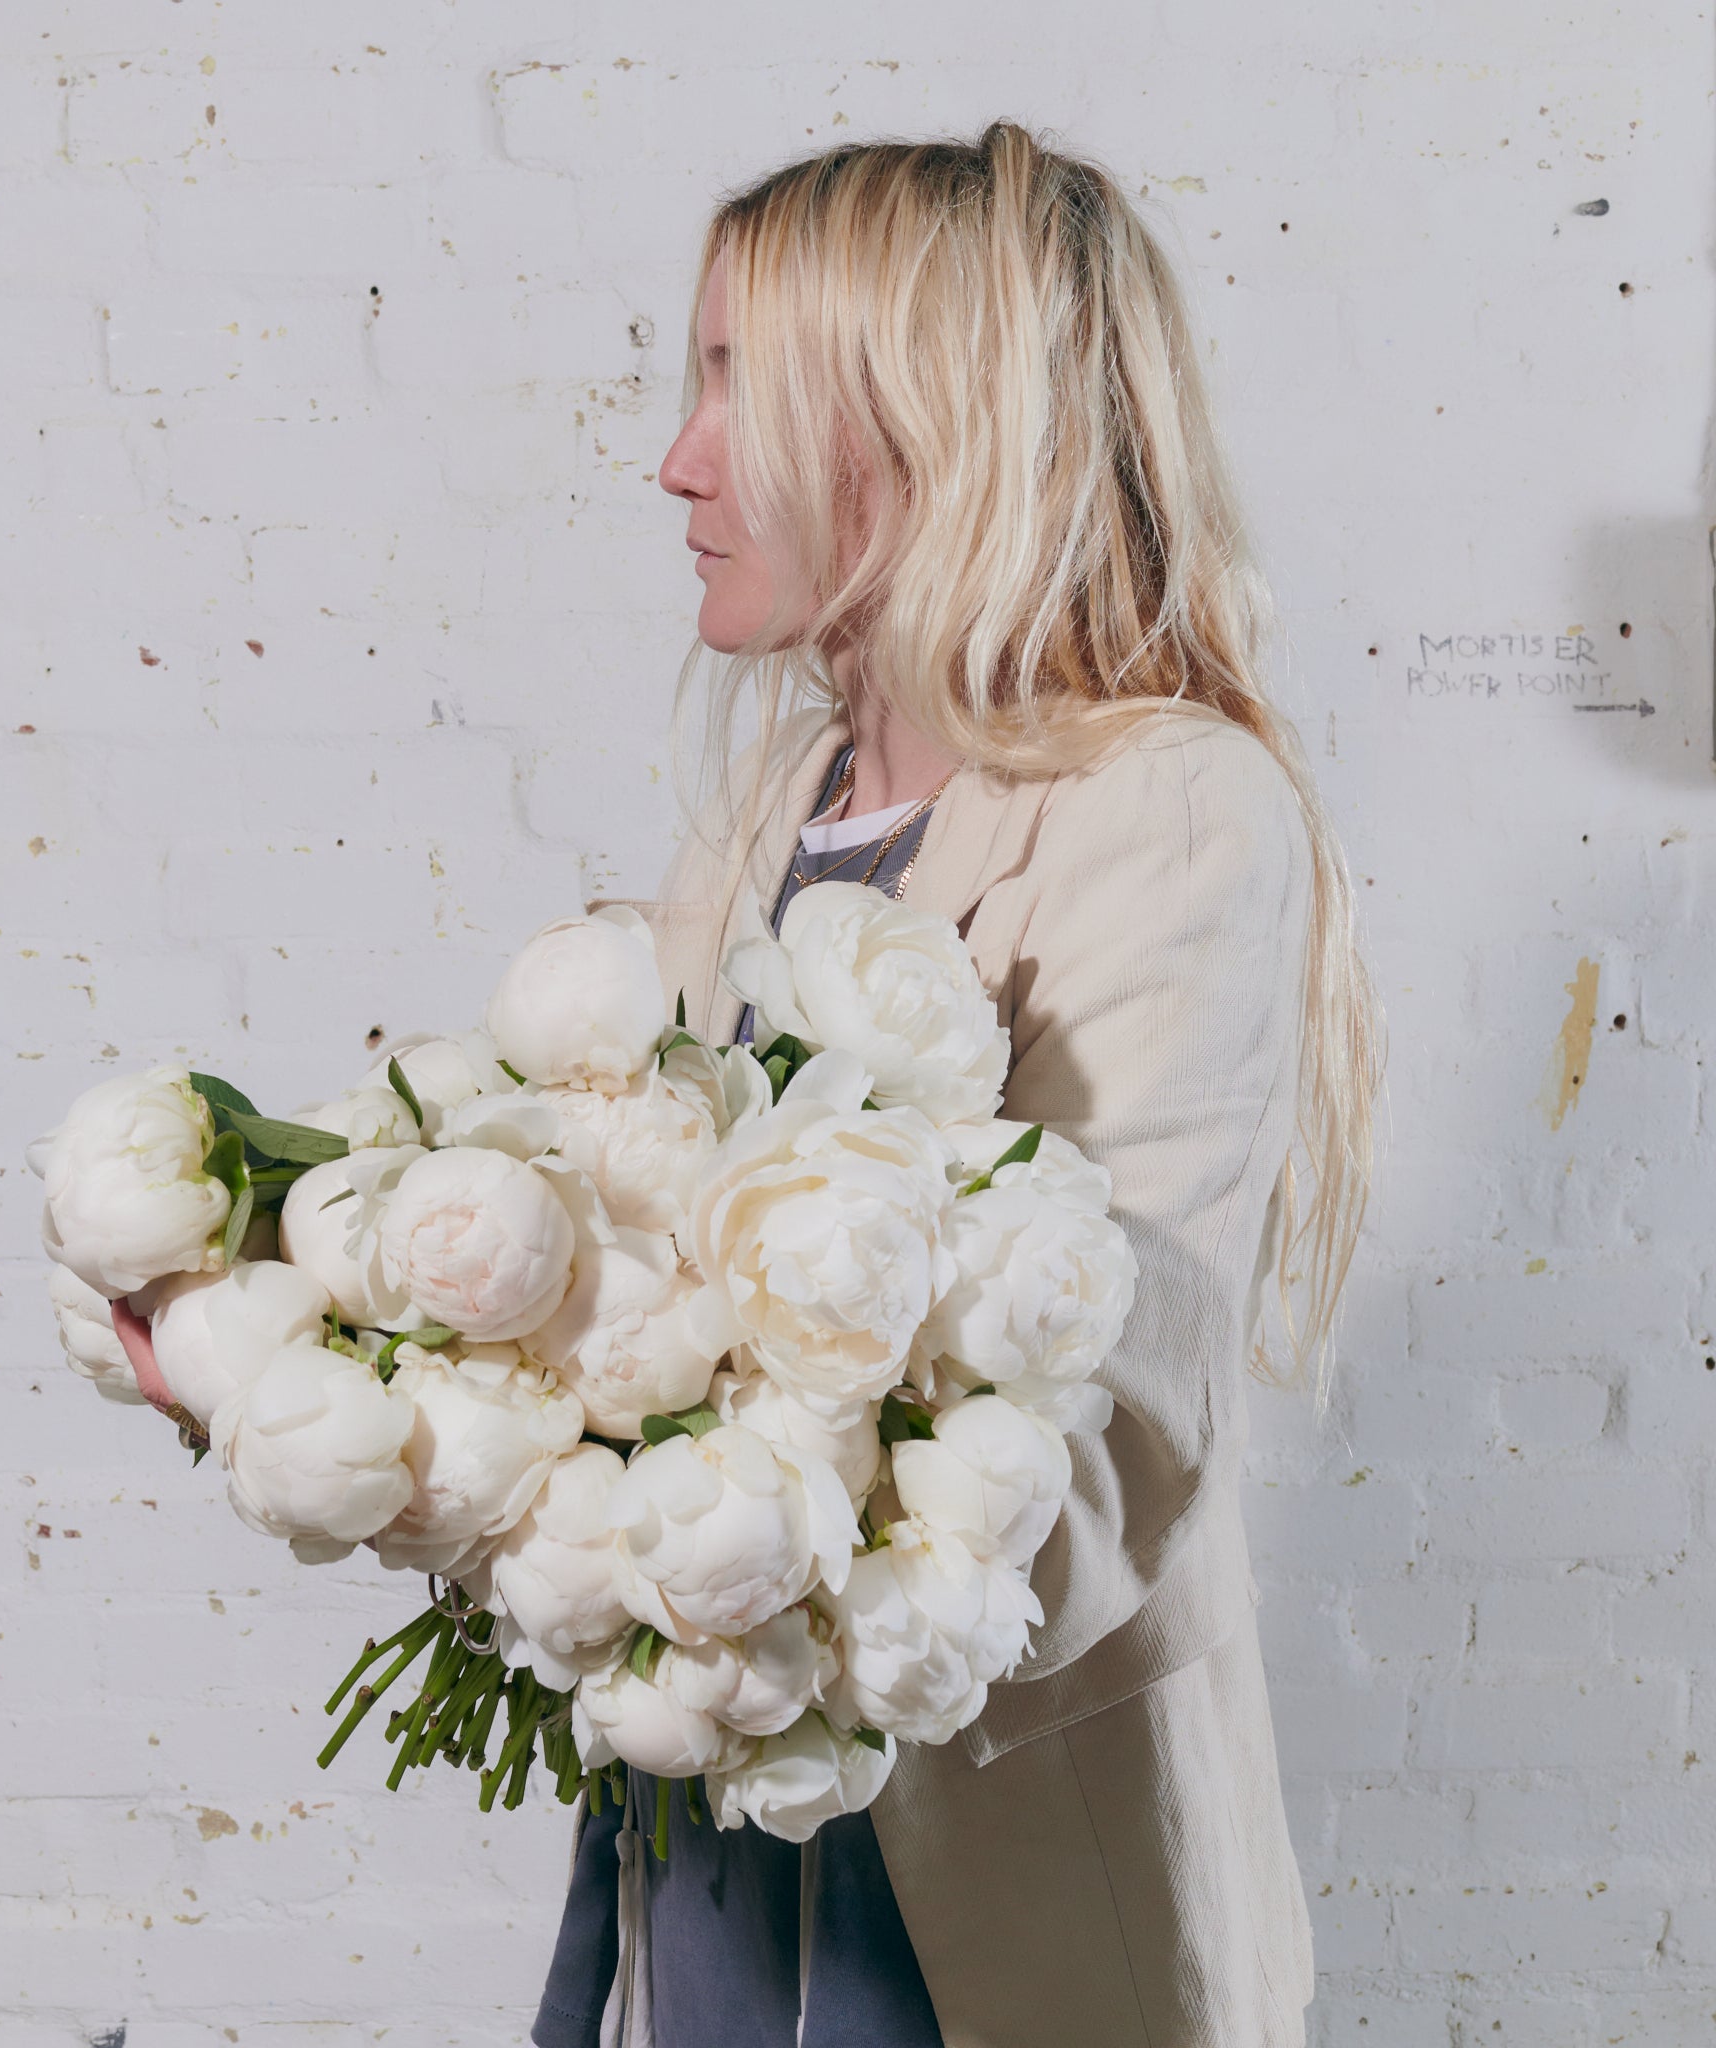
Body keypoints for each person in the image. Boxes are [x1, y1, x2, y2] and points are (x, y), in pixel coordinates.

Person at [531, 122, 1378, 2048]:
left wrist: (743, 1562)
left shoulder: (1174, 811)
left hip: (991, 1899)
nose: (678, 458)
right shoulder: (781, 803)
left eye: (738, 384)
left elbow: (1117, 1432)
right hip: (715, 1833)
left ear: (925, 426)